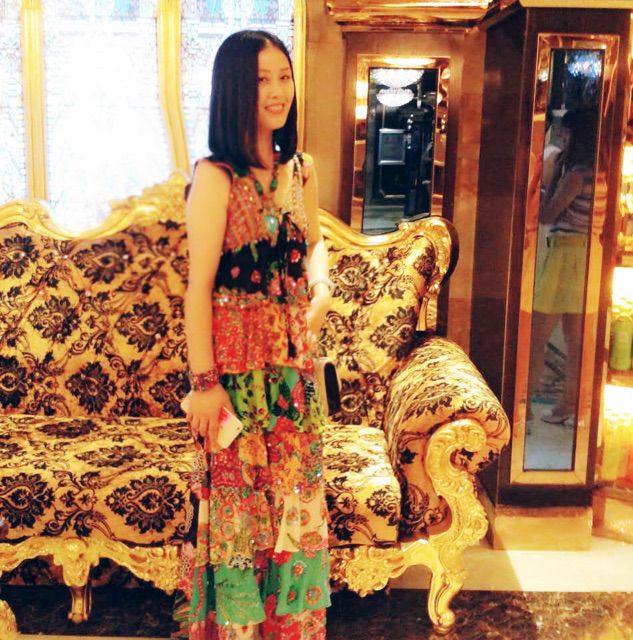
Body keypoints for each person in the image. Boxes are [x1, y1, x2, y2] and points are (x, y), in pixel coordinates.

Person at [173, 30, 333, 640]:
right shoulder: (216, 176)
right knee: (238, 524)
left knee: (295, 510)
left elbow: (314, 242)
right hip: (235, 378)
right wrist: (204, 384)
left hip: (294, 373)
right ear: (235, 88)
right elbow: (198, 289)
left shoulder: (301, 169)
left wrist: (322, 287)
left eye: (284, 76)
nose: (277, 90)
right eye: (262, 78)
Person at [527, 107, 597, 426]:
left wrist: (545, 182)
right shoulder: (598, 173)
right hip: (587, 256)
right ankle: (570, 405)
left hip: (564, 257)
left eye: (565, 131)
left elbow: (547, 214)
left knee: (536, 337)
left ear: (574, 135)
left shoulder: (575, 176)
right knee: (576, 341)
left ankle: (523, 404)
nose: (561, 137)